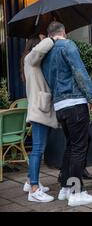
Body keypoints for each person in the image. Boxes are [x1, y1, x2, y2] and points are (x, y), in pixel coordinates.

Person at [42, 22, 92, 207]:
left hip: (60, 105)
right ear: (64, 32)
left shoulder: (47, 52)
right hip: (75, 103)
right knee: (78, 148)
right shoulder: (68, 45)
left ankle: (66, 188)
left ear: (50, 34)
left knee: (71, 146)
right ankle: (76, 192)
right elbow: (79, 72)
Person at [21, 34, 59, 203]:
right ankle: (34, 190)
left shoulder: (33, 64)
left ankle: (30, 182)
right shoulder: (30, 59)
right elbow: (39, 51)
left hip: (41, 109)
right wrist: (52, 38)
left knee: (39, 148)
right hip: (39, 110)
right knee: (37, 149)